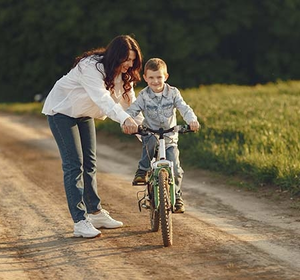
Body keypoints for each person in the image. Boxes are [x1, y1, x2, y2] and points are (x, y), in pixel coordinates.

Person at [42, 35, 143, 238]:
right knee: (74, 165)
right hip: (61, 111)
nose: (130, 64)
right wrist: (124, 121)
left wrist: (145, 131)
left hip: (84, 114)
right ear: (116, 56)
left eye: (133, 60)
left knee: (90, 163)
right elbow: (104, 100)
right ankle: (80, 221)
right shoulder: (91, 68)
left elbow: (131, 105)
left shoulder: (125, 75)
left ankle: (95, 212)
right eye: (127, 59)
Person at [126, 58, 200, 213]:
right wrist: (128, 122)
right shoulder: (144, 95)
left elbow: (184, 108)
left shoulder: (173, 93)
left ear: (166, 77)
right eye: (151, 77)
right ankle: (143, 170)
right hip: (150, 133)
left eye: (159, 77)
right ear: (145, 78)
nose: (155, 81)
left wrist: (192, 120)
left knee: (176, 169)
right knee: (151, 140)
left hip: (169, 138)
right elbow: (132, 111)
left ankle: (177, 196)